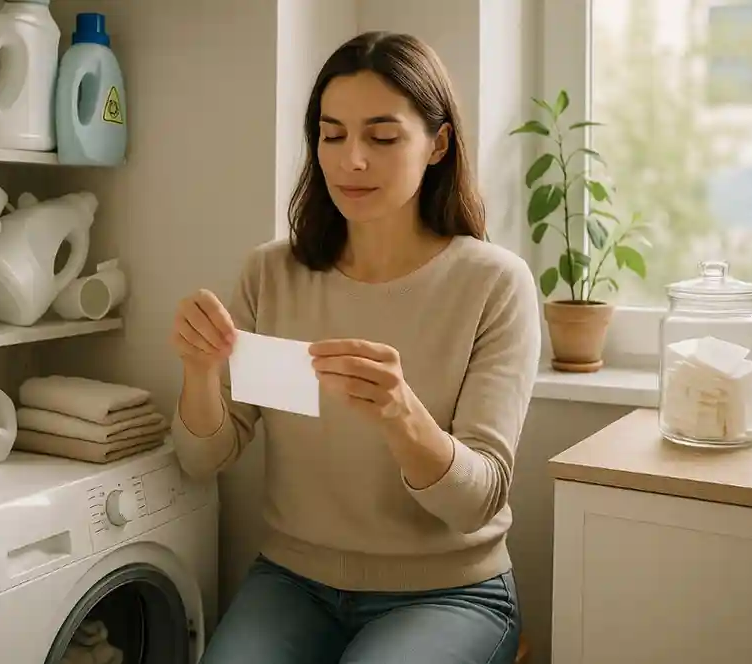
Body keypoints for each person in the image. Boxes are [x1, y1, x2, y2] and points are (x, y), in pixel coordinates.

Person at [169, 30, 541, 664]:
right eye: (331, 134)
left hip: (450, 592)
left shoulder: (494, 283)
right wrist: (200, 374)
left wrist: (403, 416)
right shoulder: (271, 273)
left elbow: (479, 500)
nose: (351, 160)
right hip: (293, 581)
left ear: (438, 144)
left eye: (382, 136)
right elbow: (205, 460)